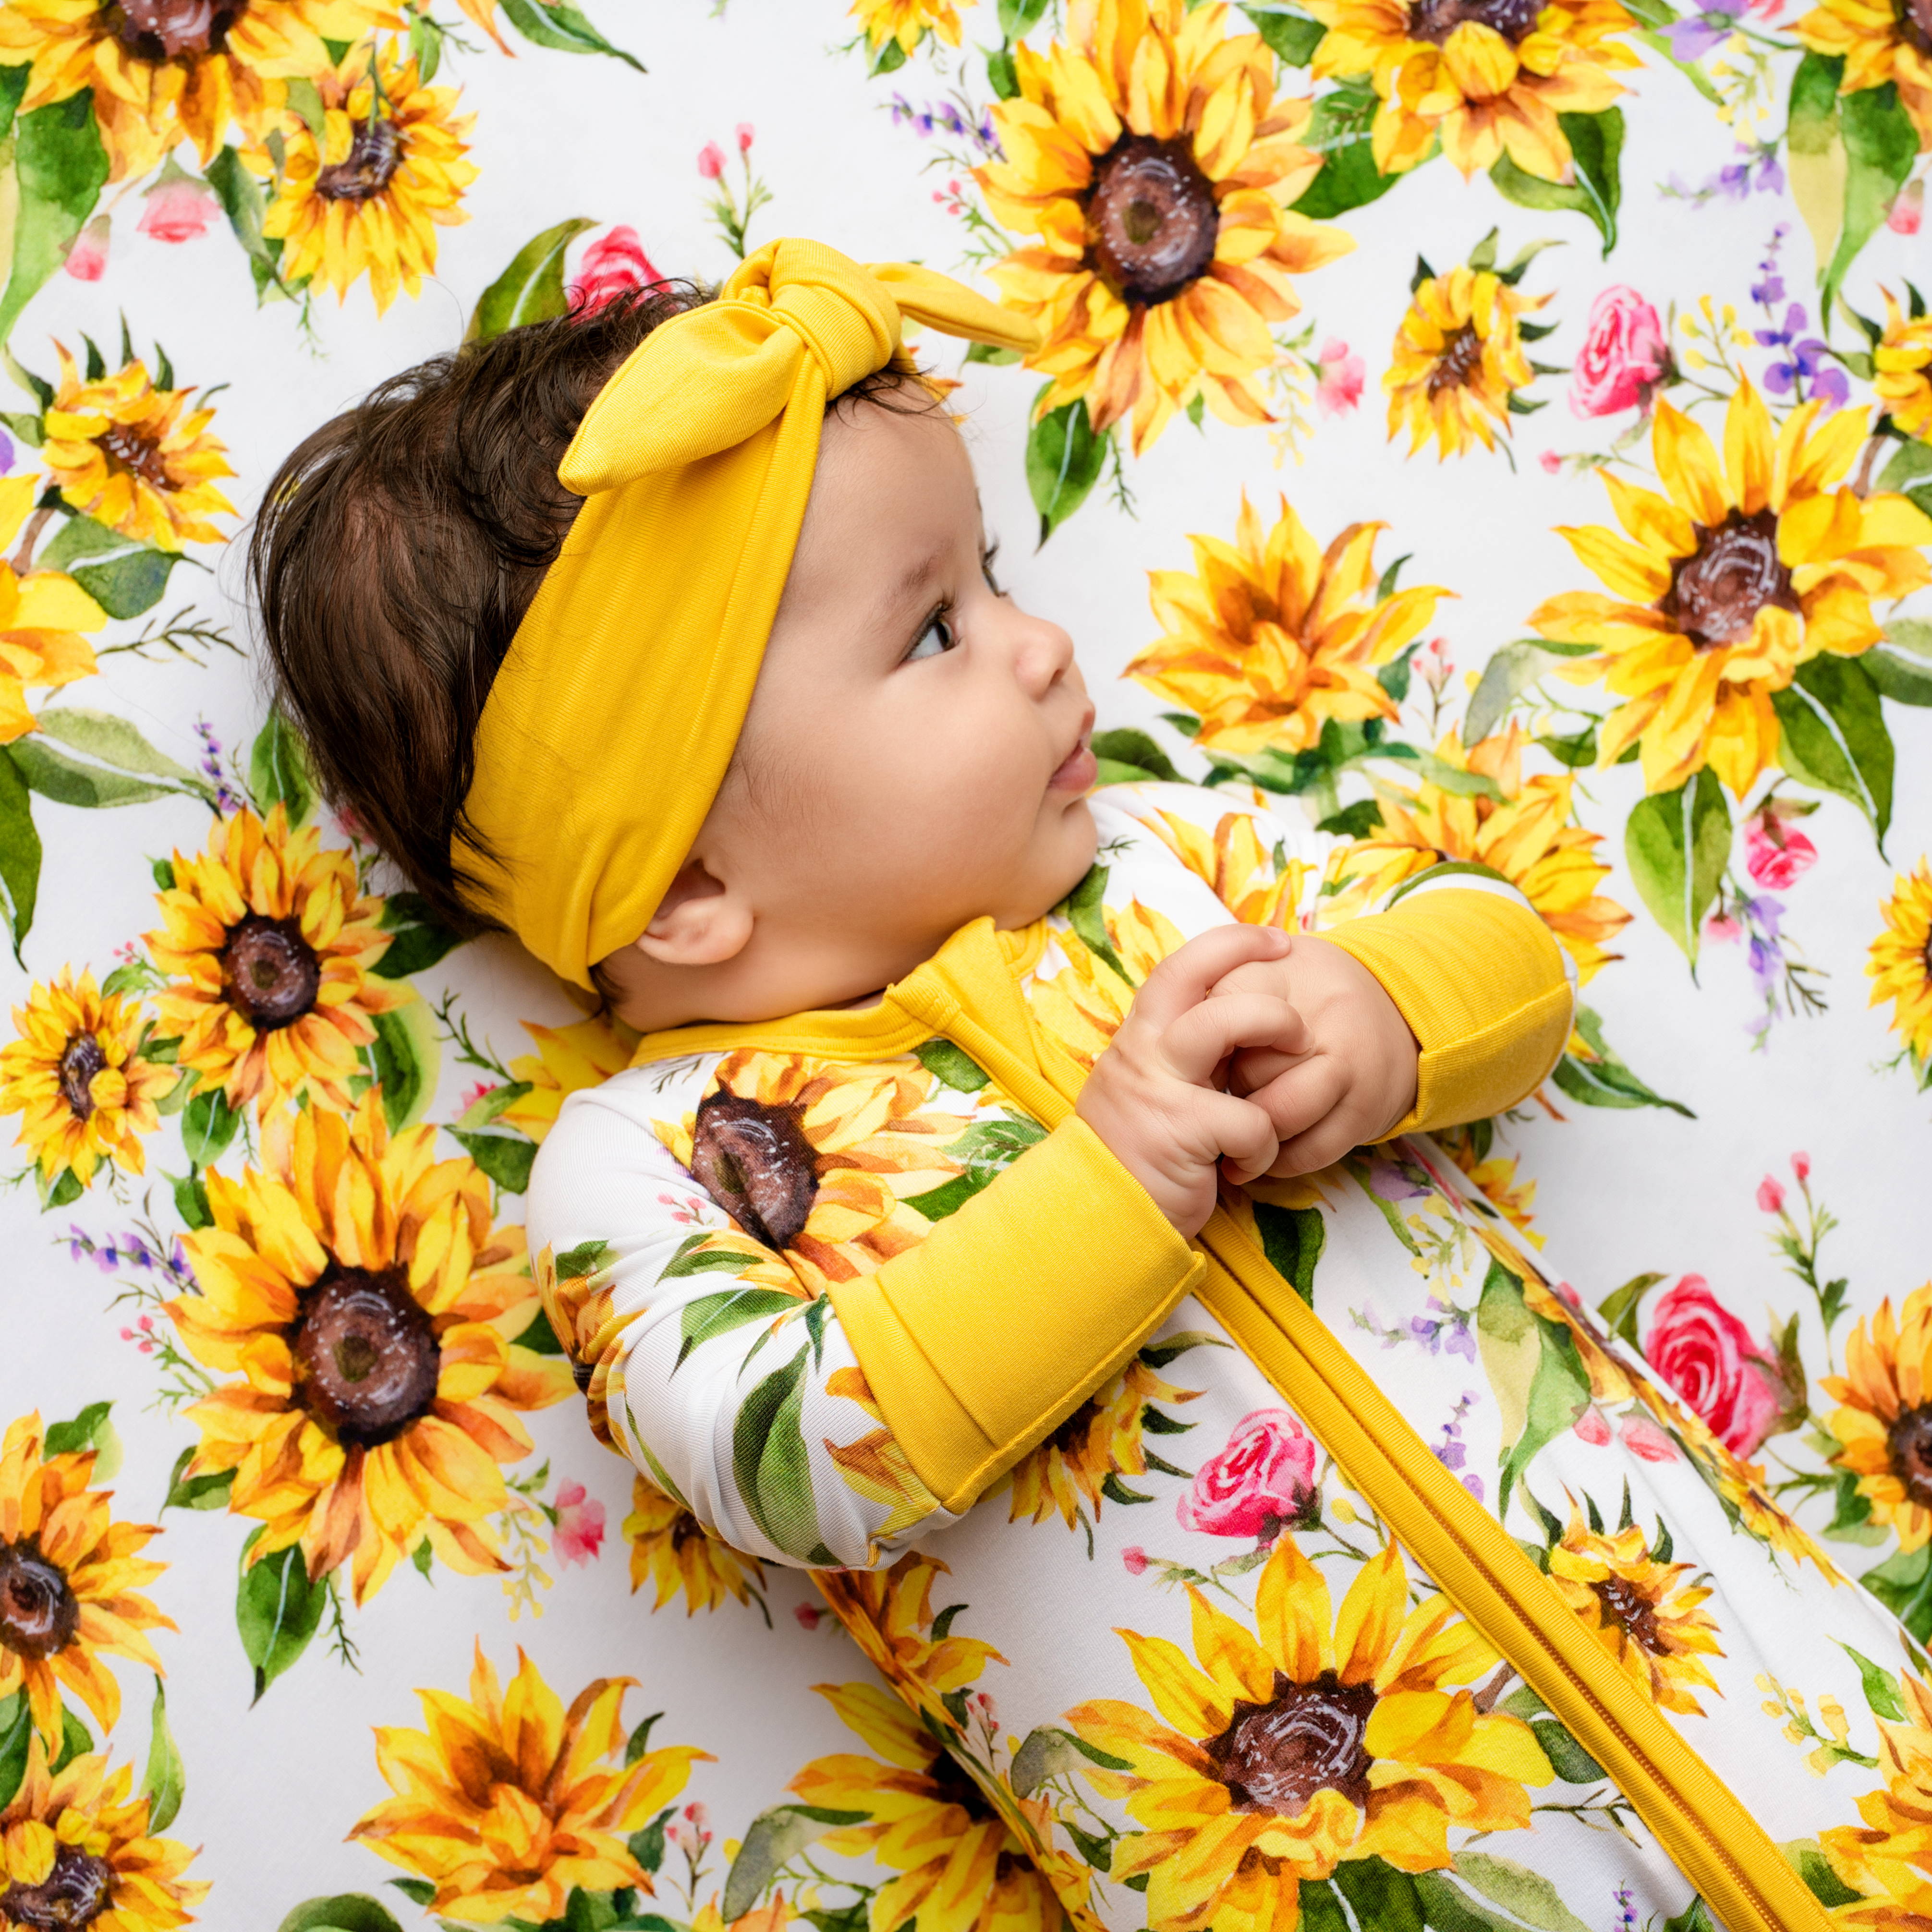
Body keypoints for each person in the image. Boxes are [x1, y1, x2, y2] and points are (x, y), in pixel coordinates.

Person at [253, 239, 1898, 1932]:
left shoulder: (1167, 875)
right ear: (679, 886)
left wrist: (1383, 1009)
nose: (1043, 651)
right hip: (1338, 1870)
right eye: (937, 630)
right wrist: (1115, 1182)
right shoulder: (639, 1165)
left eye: (1001, 576)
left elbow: (1503, 944)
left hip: (1764, 1680)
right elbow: (788, 1458)